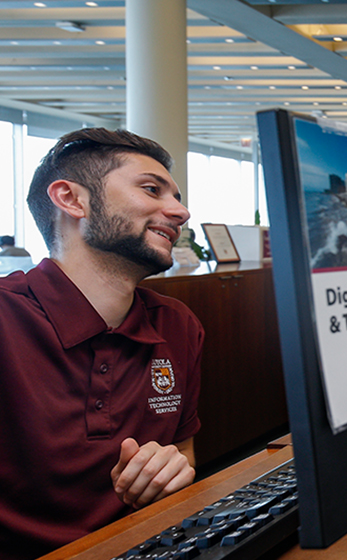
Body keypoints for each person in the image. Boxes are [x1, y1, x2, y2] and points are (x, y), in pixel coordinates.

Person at [0, 128, 203, 560]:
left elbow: (183, 450)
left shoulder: (178, 325)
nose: (181, 212)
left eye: (178, 196)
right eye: (152, 189)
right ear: (72, 200)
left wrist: (174, 470)